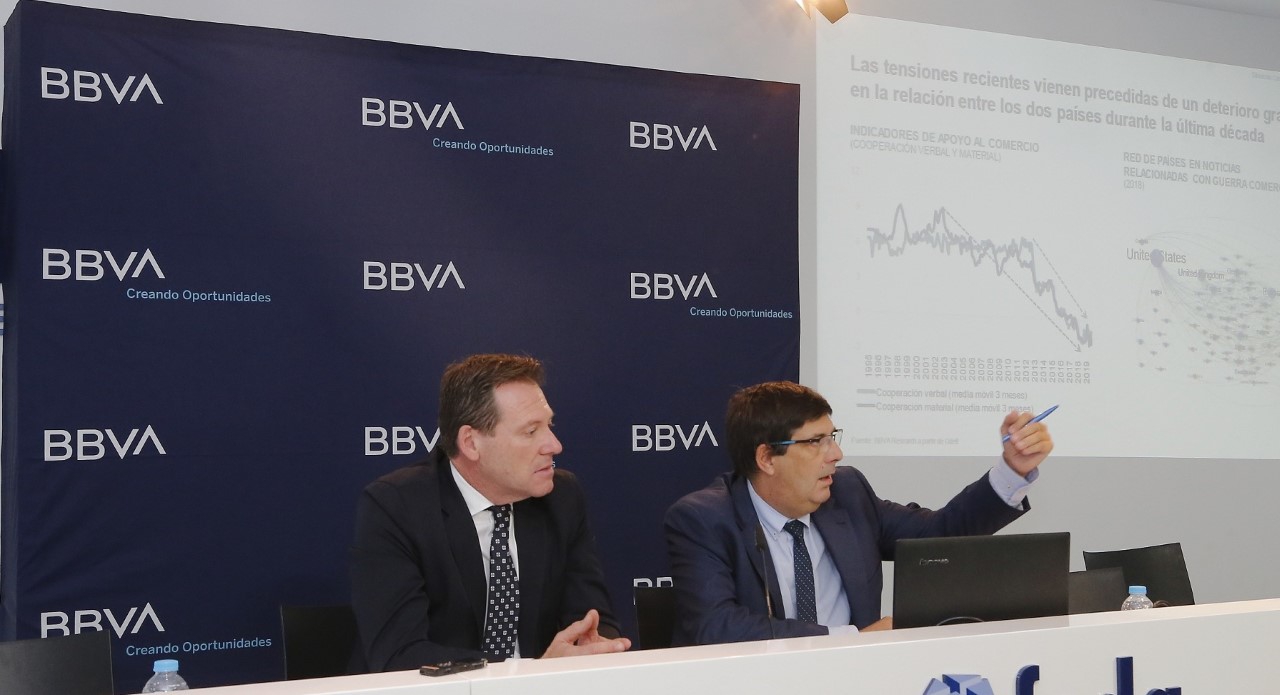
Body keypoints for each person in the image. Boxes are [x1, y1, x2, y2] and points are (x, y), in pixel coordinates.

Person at [664, 381, 1053, 645]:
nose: (835, 454)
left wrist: (1012, 470)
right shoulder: (704, 519)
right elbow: (716, 627)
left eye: (832, 437)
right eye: (816, 442)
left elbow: (940, 535)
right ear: (766, 458)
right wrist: (853, 640)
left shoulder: (847, 493)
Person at [351, 354, 630, 670]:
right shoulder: (396, 506)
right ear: (471, 443)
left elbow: (592, 619)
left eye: (549, 426)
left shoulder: (562, 497)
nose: (554, 445)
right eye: (530, 431)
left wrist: (594, 647)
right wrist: (530, 672)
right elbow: (400, 655)